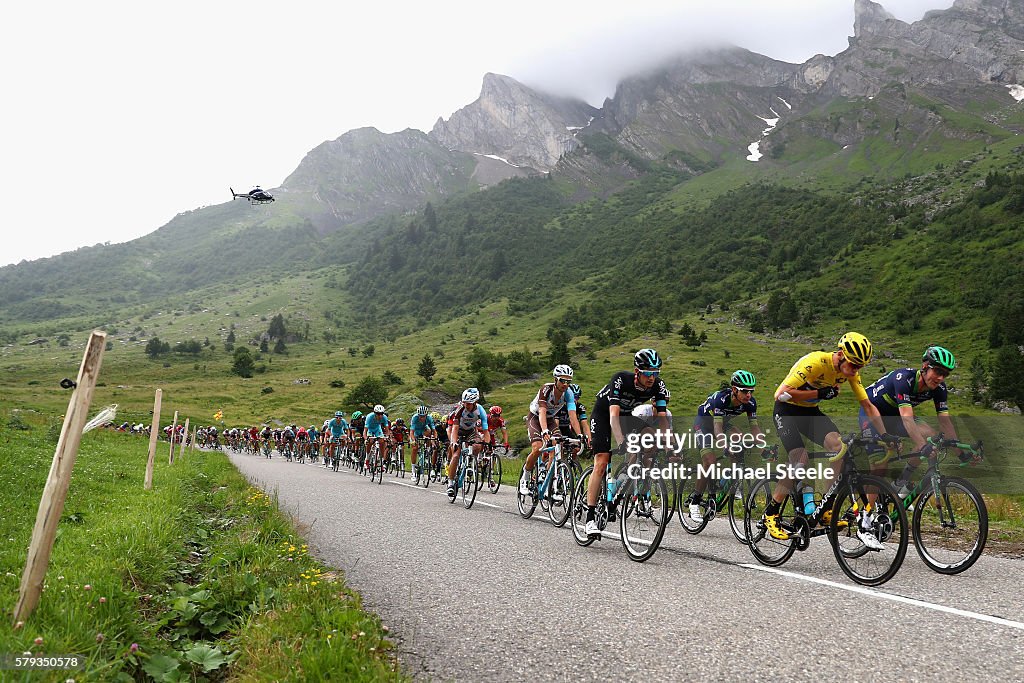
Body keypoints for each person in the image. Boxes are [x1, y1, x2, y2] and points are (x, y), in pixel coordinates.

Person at [765, 332, 897, 550]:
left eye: (860, 366)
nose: (856, 370)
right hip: (786, 412)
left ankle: (826, 508)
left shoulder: (851, 373)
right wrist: (818, 392)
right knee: (800, 459)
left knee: (840, 447)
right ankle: (771, 512)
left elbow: (868, 406)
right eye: (854, 365)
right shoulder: (816, 362)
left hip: (809, 414)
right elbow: (780, 394)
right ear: (841, 354)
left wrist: (884, 435)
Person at [585, 349, 671, 538]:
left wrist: (669, 445)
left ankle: (626, 480)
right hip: (604, 414)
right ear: (637, 371)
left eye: (656, 373)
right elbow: (613, 416)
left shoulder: (658, 385)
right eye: (648, 373)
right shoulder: (620, 380)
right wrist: (622, 442)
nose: (652, 378)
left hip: (626, 416)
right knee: (602, 460)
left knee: (651, 438)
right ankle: (590, 517)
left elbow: (663, 419)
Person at [861, 345, 966, 496]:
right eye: (938, 371)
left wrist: (961, 453)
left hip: (895, 417)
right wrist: (922, 446)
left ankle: (900, 484)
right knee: (880, 466)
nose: (941, 378)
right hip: (871, 414)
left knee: (932, 437)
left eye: (945, 374)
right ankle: (867, 516)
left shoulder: (939, 389)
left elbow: (945, 423)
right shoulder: (904, 379)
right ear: (925, 366)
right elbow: (907, 417)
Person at [687, 370, 767, 523]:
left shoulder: (750, 403)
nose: (748, 395)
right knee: (710, 461)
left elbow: (755, 430)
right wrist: (725, 446)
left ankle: (731, 481)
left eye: (751, 391)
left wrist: (764, 449)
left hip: (722, 424)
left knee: (739, 439)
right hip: (703, 424)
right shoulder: (721, 399)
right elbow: (717, 429)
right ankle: (695, 502)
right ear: (734, 389)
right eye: (745, 391)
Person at [520, 365, 582, 495]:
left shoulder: (569, 393)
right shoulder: (546, 389)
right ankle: (525, 476)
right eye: (562, 380)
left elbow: (572, 416)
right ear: (555, 379)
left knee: (558, 444)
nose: (565, 384)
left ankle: (550, 485)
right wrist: (544, 431)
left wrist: (579, 434)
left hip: (550, 419)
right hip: (535, 418)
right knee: (537, 447)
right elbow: (542, 411)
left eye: (568, 381)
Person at [446, 388, 490, 498]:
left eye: (469, 403)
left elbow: (485, 431)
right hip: (459, 431)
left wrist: (487, 445)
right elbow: (454, 429)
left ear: (475, 402)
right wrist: (454, 442)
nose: (466, 405)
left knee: (478, 445)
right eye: (465, 402)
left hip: (471, 431)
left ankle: (471, 462)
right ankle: (450, 483)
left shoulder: (480, 410)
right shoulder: (460, 409)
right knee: (456, 455)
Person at [409, 405, 437, 479]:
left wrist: (435, 438)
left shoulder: (429, 418)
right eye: (420, 416)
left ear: (426, 415)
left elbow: (434, 431)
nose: (422, 418)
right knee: (415, 448)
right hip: (415, 432)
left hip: (424, 431)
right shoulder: (415, 418)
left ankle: (427, 450)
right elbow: (411, 432)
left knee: (429, 431)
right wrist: (413, 440)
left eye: (423, 416)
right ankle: (413, 470)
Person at [363, 405, 391, 470]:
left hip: (377, 429)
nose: (380, 416)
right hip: (370, 429)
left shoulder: (384, 417)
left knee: (382, 441)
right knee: (370, 441)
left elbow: (387, 430)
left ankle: (380, 461)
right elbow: (365, 431)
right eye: (378, 414)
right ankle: (367, 460)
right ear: (375, 413)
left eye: (381, 414)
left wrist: (387, 437)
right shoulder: (369, 417)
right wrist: (366, 439)